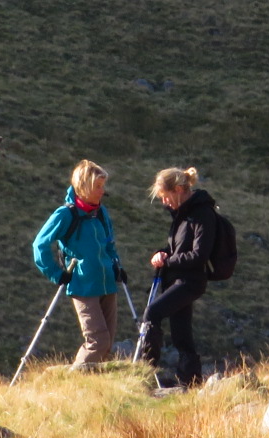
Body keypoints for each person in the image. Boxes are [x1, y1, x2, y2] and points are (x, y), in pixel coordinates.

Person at [30, 159, 126, 368]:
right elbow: (40, 245)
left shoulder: (101, 212)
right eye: (98, 186)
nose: (102, 191)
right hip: (83, 285)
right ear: (83, 186)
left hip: (108, 284)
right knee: (97, 342)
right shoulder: (65, 214)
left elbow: (109, 243)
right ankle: (73, 381)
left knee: (106, 344)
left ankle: (94, 391)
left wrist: (116, 266)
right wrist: (56, 274)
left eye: (102, 186)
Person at [140, 166, 217, 388]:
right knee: (181, 335)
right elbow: (178, 248)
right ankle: (191, 383)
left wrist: (167, 261)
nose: (164, 202)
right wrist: (163, 252)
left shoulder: (202, 213)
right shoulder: (182, 214)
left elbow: (198, 255)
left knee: (152, 313)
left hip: (190, 281)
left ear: (180, 190)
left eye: (166, 196)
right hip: (178, 280)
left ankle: (145, 374)